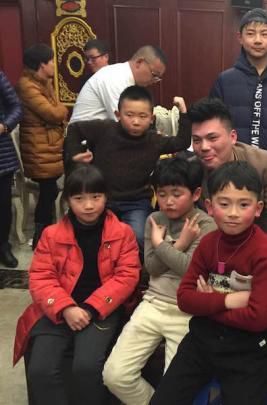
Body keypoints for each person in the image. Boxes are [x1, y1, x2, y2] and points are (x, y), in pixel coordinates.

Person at [150, 161, 267, 405]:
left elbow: (258, 318)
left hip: (250, 347)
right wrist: (229, 300)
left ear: (258, 209)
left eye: (243, 205)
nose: (233, 213)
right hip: (203, 338)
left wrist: (208, 303)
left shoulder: (266, 251)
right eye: (224, 204)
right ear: (210, 207)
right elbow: (185, 299)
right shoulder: (208, 243)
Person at [12, 164, 140, 405]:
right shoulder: (51, 234)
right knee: (41, 369)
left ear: (106, 197)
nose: (88, 205)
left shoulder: (123, 233)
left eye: (96, 197)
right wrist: (66, 308)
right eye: (79, 198)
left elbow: (127, 276)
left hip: (102, 310)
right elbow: (40, 276)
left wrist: (91, 308)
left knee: (86, 367)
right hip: (59, 308)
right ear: (67, 200)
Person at [103, 155, 216, 405]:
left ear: (196, 194)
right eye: (162, 194)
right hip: (152, 304)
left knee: (175, 386)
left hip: (187, 311)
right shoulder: (154, 220)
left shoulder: (206, 225)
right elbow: (152, 268)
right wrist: (181, 244)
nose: (168, 201)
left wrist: (160, 243)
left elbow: (190, 270)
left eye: (177, 194)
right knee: (115, 376)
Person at [188, 97, 267, 318]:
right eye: (196, 140)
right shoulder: (192, 170)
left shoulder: (263, 163)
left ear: (232, 137)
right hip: (212, 260)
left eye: (212, 138)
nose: (204, 147)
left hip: (256, 259)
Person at [64, 85, 191, 256]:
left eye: (142, 116)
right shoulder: (104, 129)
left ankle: (134, 269)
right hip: (102, 198)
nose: (136, 121)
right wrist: (75, 154)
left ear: (151, 118)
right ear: (118, 115)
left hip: (136, 202)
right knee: (94, 237)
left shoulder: (154, 140)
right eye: (129, 115)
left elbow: (182, 142)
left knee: (139, 237)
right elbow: (74, 129)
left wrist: (183, 111)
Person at [210, 8, 267, 168]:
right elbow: (213, 124)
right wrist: (227, 156)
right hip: (230, 169)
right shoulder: (224, 80)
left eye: (264, 34)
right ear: (240, 38)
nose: (258, 40)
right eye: (251, 33)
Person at [16, 44, 69, 249]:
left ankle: (49, 231)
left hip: (50, 145)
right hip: (38, 148)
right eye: (51, 61)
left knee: (52, 189)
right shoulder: (27, 86)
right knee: (49, 191)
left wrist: (59, 112)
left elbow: (56, 111)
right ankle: (40, 236)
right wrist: (61, 111)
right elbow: (54, 113)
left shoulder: (44, 82)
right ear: (41, 65)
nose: (54, 65)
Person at [70, 45, 166, 123]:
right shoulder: (115, 77)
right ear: (139, 62)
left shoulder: (125, 77)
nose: (155, 80)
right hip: (83, 139)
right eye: (154, 74)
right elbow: (125, 124)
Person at [0, 70, 23, 268]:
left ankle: (3, 246)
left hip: (1, 155)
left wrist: (4, 126)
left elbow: (16, 106)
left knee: (3, 205)